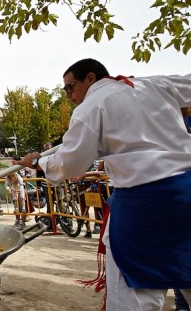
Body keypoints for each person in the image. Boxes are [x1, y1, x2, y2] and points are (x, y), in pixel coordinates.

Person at [19, 58, 190, 310]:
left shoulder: (91, 107)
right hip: (186, 193)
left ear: (90, 78)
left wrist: (38, 163)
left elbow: (71, 162)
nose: (68, 95)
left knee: (134, 297)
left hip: (143, 204)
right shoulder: (153, 84)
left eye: (70, 87)